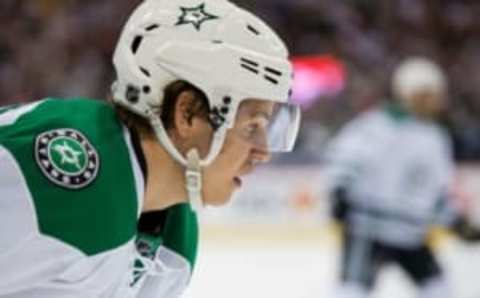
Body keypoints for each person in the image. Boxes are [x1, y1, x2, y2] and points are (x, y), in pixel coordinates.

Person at [0, 0, 301, 297]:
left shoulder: (175, 236)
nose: (263, 152)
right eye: (252, 127)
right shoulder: (59, 179)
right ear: (188, 114)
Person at [325, 57, 480, 298]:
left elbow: (436, 191)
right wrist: (339, 193)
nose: (436, 100)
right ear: (410, 93)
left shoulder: (434, 137)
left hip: (411, 232)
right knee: (350, 292)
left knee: (439, 290)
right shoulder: (374, 125)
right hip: (368, 228)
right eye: (430, 93)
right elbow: (343, 159)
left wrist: (456, 222)